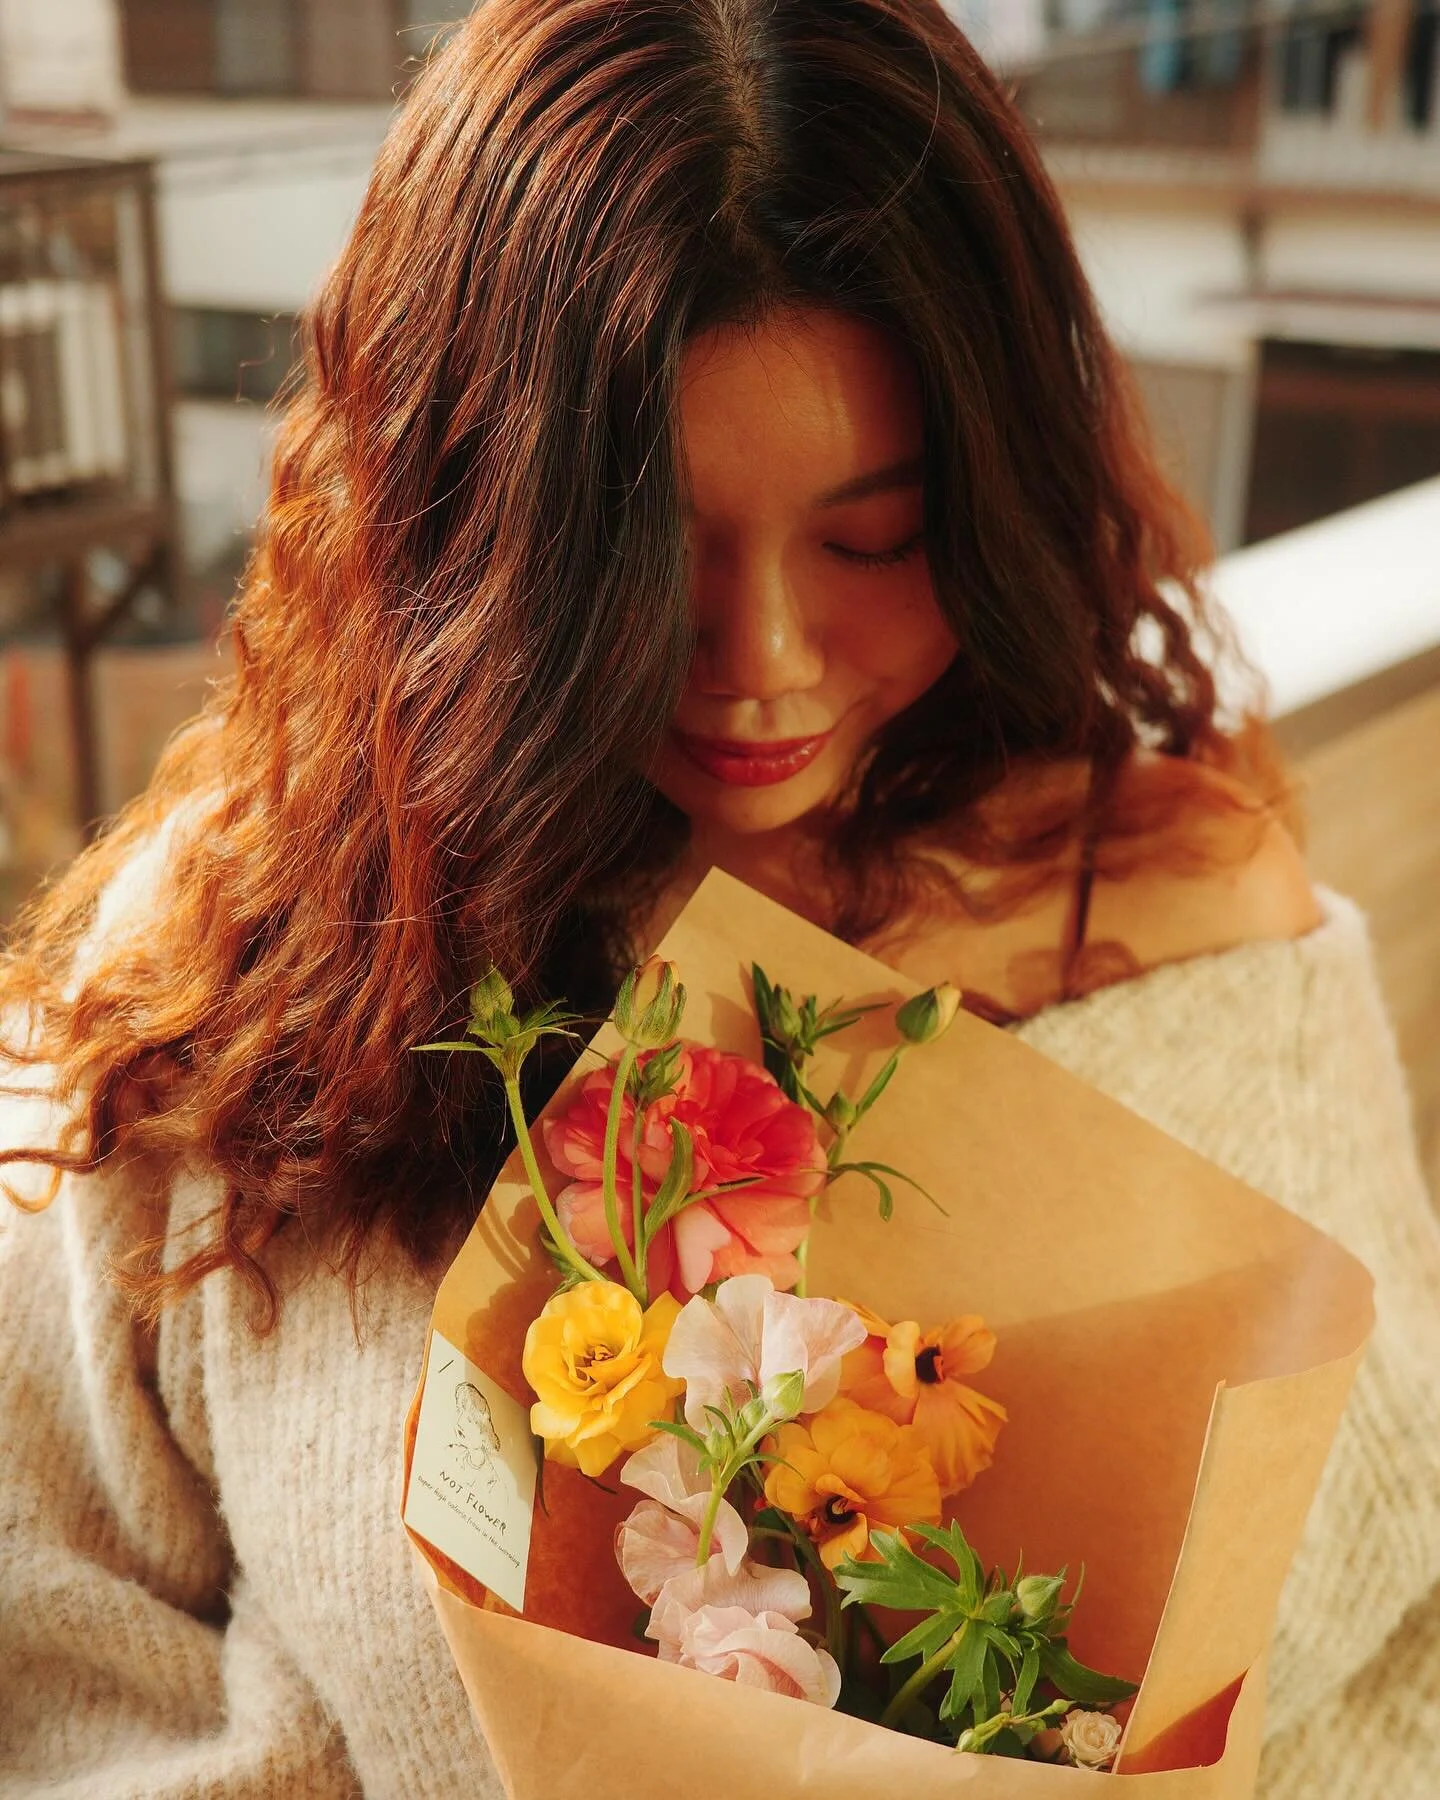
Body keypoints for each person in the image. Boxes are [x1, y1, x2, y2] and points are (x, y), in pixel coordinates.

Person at [0, 2, 1435, 1795]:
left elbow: (1389, 1609)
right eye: (643, 556)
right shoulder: (249, 969)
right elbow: (48, 1641)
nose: (760, 664)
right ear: (468, 535)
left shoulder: (1178, 909)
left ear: (996, 499)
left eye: (870, 539)